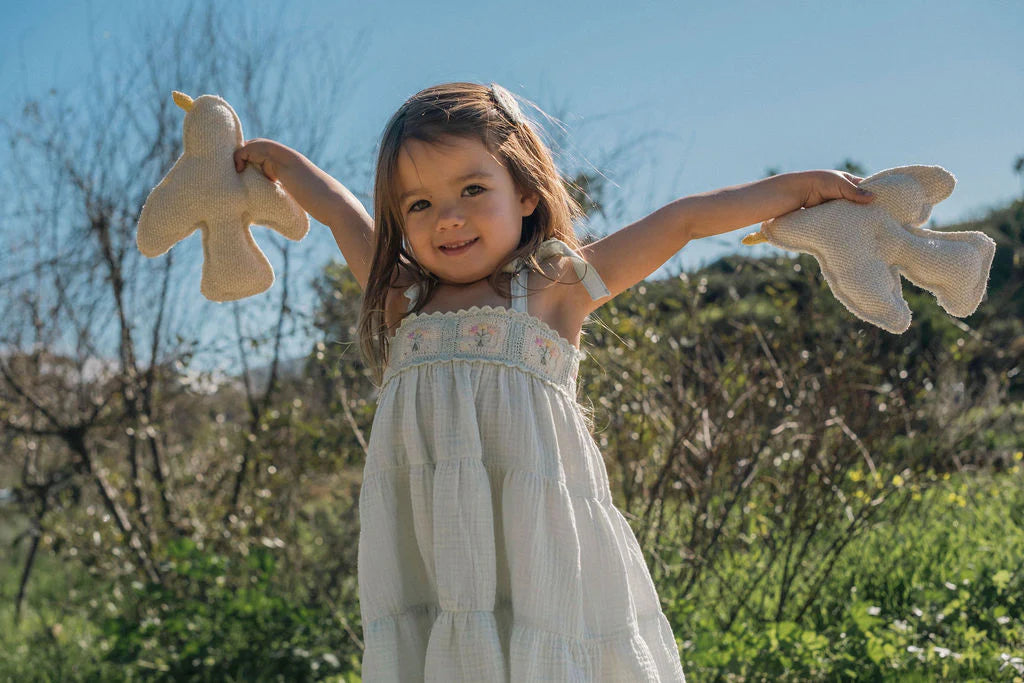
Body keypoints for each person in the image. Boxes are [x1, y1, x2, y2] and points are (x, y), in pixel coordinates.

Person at [234, 81, 875, 682]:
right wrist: (279, 163)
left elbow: (684, 220)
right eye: (420, 204)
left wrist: (801, 187)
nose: (447, 218)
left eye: (472, 190)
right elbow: (339, 212)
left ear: (526, 194)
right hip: (439, 542)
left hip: (536, 530)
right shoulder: (402, 297)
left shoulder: (554, 287)